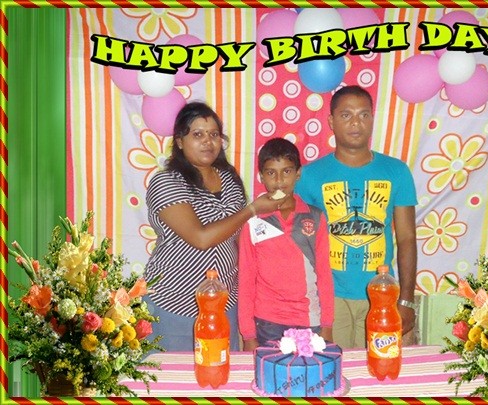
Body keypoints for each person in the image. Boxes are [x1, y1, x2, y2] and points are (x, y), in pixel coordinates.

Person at [144, 101, 281, 352]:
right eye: (198, 134)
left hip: (224, 303)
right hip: (175, 303)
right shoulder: (166, 182)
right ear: (180, 141)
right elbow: (201, 238)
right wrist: (252, 209)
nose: (208, 142)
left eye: (214, 134)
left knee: (220, 371)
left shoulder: (229, 178)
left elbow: (239, 235)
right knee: (175, 373)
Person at [295, 85, 418, 349]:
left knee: (379, 366)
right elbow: (298, 243)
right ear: (331, 121)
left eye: (363, 115)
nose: (355, 123)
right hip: (328, 297)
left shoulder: (396, 171)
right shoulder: (308, 176)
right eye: (346, 115)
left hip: (380, 293)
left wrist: (406, 300)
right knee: (331, 368)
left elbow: (407, 238)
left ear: (372, 119)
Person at [238, 138, 334, 352]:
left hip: (309, 319)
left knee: (308, 372)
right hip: (267, 322)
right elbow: (246, 278)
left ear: (298, 173)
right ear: (261, 176)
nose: (279, 181)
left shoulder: (315, 217)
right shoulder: (253, 221)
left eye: (287, 172)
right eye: (271, 173)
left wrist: (327, 324)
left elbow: (324, 274)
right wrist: (248, 334)